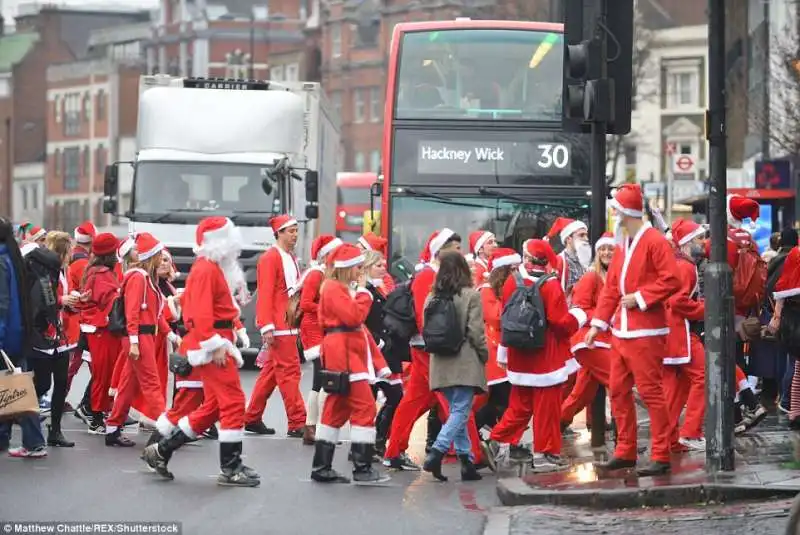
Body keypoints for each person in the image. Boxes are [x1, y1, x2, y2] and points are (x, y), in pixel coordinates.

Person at [143, 217, 259, 487]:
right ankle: (231, 467)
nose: (235, 245)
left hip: (215, 341)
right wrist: (215, 344)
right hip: (212, 344)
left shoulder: (211, 268)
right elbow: (198, 313)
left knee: (214, 407)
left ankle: (161, 450)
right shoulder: (206, 269)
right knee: (231, 403)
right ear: (219, 242)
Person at [585, 183, 681, 476]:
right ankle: (625, 450)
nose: (613, 214)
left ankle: (661, 453)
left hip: (646, 333)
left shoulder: (654, 241)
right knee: (617, 391)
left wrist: (639, 298)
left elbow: (672, 279)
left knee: (651, 393)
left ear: (626, 211)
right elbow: (612, 289)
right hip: (621, 333)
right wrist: (596, 326)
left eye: (615, 210)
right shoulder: (623, 244)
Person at [384, 228, 483, 470]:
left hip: (430, 348)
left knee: (415, 401)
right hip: (431, 350)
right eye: (456, 249)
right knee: (458, 403)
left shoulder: (436, 274)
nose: (461, 253)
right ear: (441, 251)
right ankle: (473, 455)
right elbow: (423, 316)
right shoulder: (428, 276)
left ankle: (394, 451)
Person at [486, 239, 581, 472]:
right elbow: (560, 323)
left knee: (520, 406)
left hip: (519, 356)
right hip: (545, 358)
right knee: (547, 409)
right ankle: (545, 455)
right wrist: (579, 316)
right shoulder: (551, 285)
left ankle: (496, 440)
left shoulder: (511, 281)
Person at [311, 243, 390, 484]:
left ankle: (322, 466)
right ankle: (362, 467)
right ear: (347, 268)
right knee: (365, 408)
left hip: (344, 351)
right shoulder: (335, 289)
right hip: (344, 354)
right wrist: (365, 294)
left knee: (336, 410)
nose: (360, 271)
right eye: (357, 267)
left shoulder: (336, 287)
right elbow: (354, 317)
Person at [422, 252, 488, 482]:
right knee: (460, 411)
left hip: (440, 362)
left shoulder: (431, 297)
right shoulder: (471, 296)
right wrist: (484, 354)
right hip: (465, 361)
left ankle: (466, 462)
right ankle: (436, 453)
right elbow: (476, 332)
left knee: (457, 411)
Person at [105, 233, 170, 447]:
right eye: (159, 254)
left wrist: (169, 334)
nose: (163, 258)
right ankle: (165, 426)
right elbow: (133, 312)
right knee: (152, 383)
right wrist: (133, 341)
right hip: (139, 337)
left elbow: (155, 314)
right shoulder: (138, 278)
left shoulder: (145, 278)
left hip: (142, 336)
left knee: (128, 384)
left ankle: (113, 427)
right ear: (151, 255)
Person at [245, 214, 306, 437]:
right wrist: (266, 326)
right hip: (280, 325)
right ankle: (298, 421)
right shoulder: (270, 258)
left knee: (272, 373)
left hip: (287, 323)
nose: (295, 235)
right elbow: (266, 293)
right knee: (290, 372)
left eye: (296, 230)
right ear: (278, 233)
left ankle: (252, 417)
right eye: (290, 231)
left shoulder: (289, 257)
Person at [26, 231, 79, 447]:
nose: (72, 254)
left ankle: (55, 431)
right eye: (69, 250)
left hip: (59, 334)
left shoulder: (62, 271)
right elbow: (42, 299)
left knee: (61, 383)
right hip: (43, 335)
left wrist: (71, 300)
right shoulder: (44, 272)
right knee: (42, 384)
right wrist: (62, 300)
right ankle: (16, 418)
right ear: (62, 250)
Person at [560, 232, 614, 430]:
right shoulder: (591, 277)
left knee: (583, 393)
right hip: (588, 340)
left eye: (611, 249)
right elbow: (579, 308)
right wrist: (606, 318)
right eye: (603, 249)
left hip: (602, 339)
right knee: (618, 382)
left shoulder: (614, 277)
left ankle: (556, 425)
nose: (607, 253)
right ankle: (623, 437)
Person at [0, 217, 42, 457]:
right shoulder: (12, 258)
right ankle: (26, 440)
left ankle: (34, 442)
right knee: (16, 387)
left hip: (6, 335)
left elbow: (1, 304)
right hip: (19, 333)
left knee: (17, 390)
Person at [663, 219, 707, 452]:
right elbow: (676, 301)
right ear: (688, 242)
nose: (703, 242)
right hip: (680, 332)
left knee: (675, 387)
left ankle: (668, 438)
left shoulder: (680, 264)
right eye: (699, 238)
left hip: (672, 332)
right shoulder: (686, 267)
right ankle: (690, 432)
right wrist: (705, 308)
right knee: (704, 375)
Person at [297, 234, 343, 445]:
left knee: (320, 379)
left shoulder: (327, 274)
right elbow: (306, 304)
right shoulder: (316, 274)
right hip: (313, 329)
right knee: (322, 378)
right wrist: (329, 309)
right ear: (327, 256)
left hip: (322, 328)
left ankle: (312, 427)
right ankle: (317, 427)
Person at [78, 232, 122, 434]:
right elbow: (110, 301)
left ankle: (98, 413)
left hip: (96, 329)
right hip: (102, 330)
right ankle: (96, 417)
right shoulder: (103, 274)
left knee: (101, 374)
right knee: (103, 375)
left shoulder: (93, 270)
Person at [362, 249, 403, 456]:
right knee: (370, 401)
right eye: (378, 265)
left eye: (384, 264)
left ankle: (376, 441)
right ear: (367, 267)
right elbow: (362, 322)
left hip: (385, 353)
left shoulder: (379, 289)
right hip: (373, 354)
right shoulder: (366, 291)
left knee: (395, 396)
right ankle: (366, 445)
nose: (383, 268)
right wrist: (377, 342)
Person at [475, 249, 516, 447]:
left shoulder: (503, 289)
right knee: (502, 401)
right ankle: (482, 435)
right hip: (493, 352)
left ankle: (493, 437)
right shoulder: (486, 290)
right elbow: (496, 318)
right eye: (513, 269)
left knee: (504, 401)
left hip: (505, 349)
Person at [66, 221, 96, 420]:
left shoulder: (73, 259)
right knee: (79, 363)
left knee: (74, 363)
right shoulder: (84, 264)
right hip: (81, 320)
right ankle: (92, 404)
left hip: (74, 320)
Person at [546, 217, 590, 301]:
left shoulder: (587, 261)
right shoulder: (557, 262)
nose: (586, 239)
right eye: (581, 235)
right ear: (568, 239)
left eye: (586, 235)